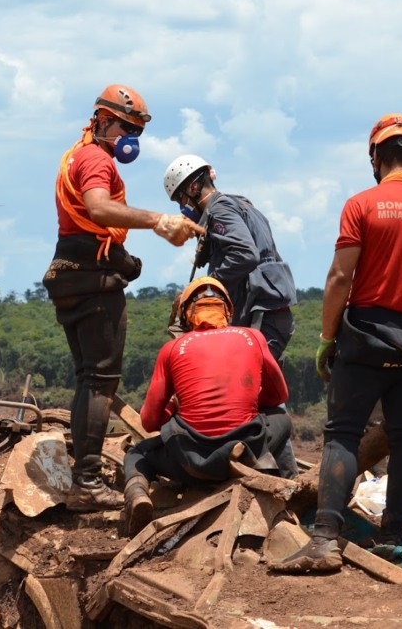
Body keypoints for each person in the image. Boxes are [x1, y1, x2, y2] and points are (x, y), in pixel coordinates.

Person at [271, 114, 402, 574]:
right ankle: (393, 536)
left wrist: (327, 336)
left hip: (367, 336)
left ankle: (325, 540)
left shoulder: (362, 204)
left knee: (342, 434)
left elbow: (340, 276)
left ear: (375, 157)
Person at [42, 83, 204, 512]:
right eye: (126, 126)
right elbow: (98, 208)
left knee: (87, 379)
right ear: (102, 120)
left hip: (70, 269)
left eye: (136, 130)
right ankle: (88, 482)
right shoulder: (96, 159)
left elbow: (85, 228)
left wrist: (122, 258)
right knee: (100, 379)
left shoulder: (76, 155)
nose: (131, 138)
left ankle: (85, 474)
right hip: (92, 283)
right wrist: (159, 220)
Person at [120, 277, 297, 536]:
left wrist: (175, 407)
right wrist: (242, 399)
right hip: (244, 451)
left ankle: (138, 495)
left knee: (137, 454)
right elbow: (278, 394)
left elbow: (148, 422)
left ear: (186, 316)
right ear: (227, 310)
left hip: (191, 463)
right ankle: (278, 479)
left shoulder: (172, 349)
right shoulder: (253, 337)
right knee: (281, 417)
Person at [162, 155, 297, 362]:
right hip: (267, 312)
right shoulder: (240, 204)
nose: (183, 207)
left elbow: (245, 254)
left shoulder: (220, 211)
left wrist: (205, 286)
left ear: (193, 188)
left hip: (260, 314)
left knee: (245, 384)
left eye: (181, 199)